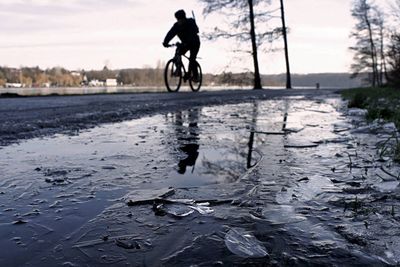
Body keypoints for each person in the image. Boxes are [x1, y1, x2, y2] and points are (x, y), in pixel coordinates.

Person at [163, 9, 200, 82]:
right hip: (185, 43)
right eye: (177, 19)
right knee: (178, 52)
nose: (179, 21)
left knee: (192, 59)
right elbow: (170, 34)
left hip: (194, 43)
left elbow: (192, 34)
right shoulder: (176, 26)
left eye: (180, 19)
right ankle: (178, 70)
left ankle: (195, 76)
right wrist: (165, 42)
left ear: (184, 18)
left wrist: (186, 42)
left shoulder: (190, 22)